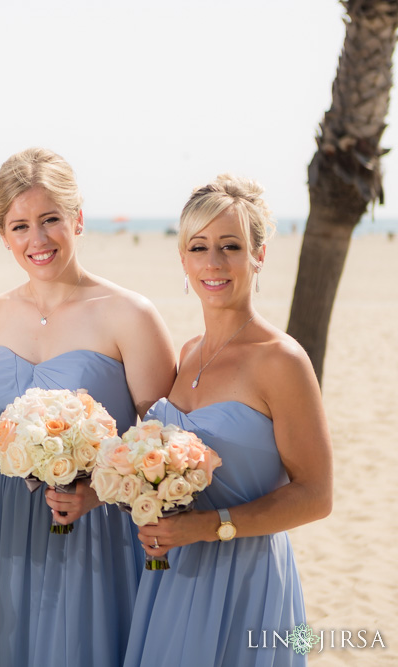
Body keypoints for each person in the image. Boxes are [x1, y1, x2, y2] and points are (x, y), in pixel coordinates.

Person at [0, 147, 176, 666]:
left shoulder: (129, 314)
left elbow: (164, 445)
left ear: (78, 219)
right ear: (2, 235)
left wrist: (98, 490)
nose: (36, 239)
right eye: (19, 226)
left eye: (50, 220)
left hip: (97, 527)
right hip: (2, 523)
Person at [124, 174, 332, 666]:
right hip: (175, 577)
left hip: (250, 583)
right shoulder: (188, 352)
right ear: (183, 259)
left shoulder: (282, 360)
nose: (213, 263)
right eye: (199, 248)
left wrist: (209, 527)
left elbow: (317, 496)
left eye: (231, 246)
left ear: (259, 256)